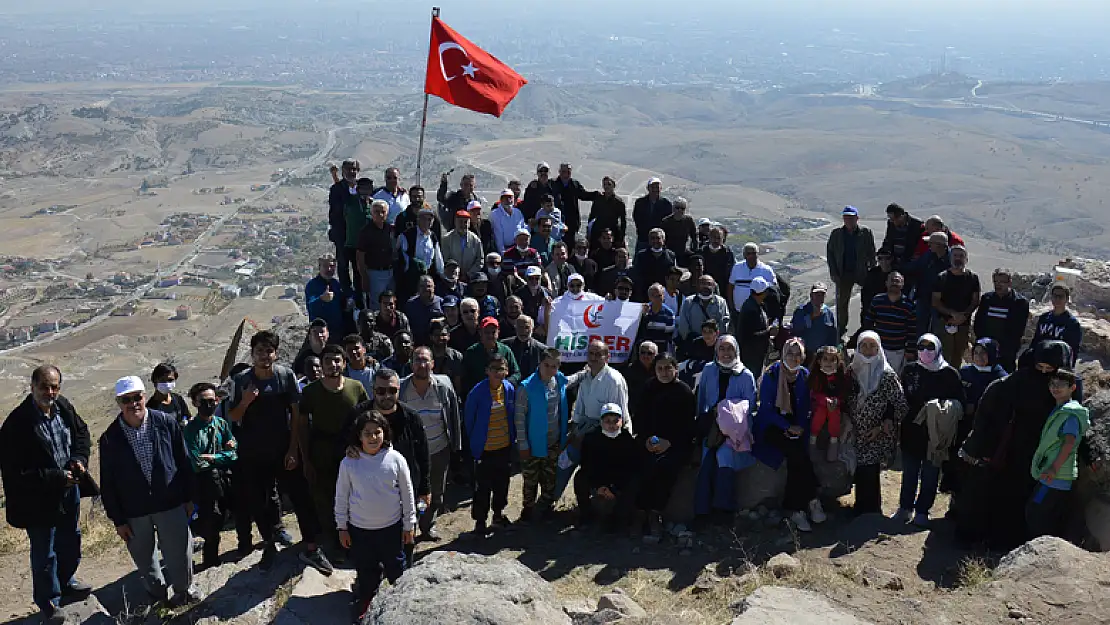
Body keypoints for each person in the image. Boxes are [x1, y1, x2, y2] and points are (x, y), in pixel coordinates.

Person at [227, 331, 331, 574]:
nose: (265, 355)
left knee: (301, 498)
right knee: (260, 501)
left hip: (283, 449)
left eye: (269, 351)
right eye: (260, 351)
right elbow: (233, 417)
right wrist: (246, 401)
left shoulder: (285, 376)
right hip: (253, 453)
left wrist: (294, 449)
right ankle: (270, 544)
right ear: (252, 354)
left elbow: (296, 414)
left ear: (275, 353)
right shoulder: (242, 380)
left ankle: (312, 547)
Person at [0, 366, 96, 623]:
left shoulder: (63, 407)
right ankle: (49, 602)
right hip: (38, 499)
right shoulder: (16, 424)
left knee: (71, 539)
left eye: (54, 386)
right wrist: (55, 477)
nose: (50, 392)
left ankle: (66, 582)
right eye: (44, 386)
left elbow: (81, 434)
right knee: (45, 552)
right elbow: (16, 472)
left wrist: (78, 460)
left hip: (69, 491)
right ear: (32, 387)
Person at [958, 340, 1074, 550]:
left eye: (1050, 370)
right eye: (1040, 368)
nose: (1044, 373)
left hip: (1039, 455)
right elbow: (987, 416)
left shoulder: (1065, 387)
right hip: (1006, 450)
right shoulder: (1013, 382)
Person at [99, 376, 198, 606]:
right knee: (145, 559)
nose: (133, 403)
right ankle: (157, 596)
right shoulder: (109, 438)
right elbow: (108, 483)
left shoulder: (165, 422)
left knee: (180, 553)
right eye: (126, 400)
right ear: (119, 403)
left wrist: (189, 497)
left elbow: (184, 462)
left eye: (137, 397)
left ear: (145, 397)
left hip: (170, 501)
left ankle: (184, 591)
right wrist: (118, 520)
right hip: (134, 510)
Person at [335, 411, 416, 622]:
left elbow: (407, 494)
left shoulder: (396, 459)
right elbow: (341, 496)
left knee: (397, 568)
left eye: (377, 432)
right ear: (359, 436)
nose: (373, 438)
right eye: (367, 433)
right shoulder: (349, 463)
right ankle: (367, 601)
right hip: (360, 530)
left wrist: (409, 524)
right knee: (366, 570)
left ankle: (404, 603)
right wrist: (341, 526)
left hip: (391, 528)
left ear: (385, 433)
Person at [346, 369, 430, 561]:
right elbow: (343, 444)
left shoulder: (411, 417)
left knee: (406, 539)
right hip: (368, 495)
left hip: (405, 491)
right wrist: (349, 448)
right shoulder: (357, 415)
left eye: (392, 390)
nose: (387, 396)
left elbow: (423, 455)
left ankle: (402, 577)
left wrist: (425, 488)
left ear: (399, 390)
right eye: (381, 391)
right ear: (373, 390)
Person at [299, 345, 369, 556]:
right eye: (328, 360)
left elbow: (368, 419)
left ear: (344, 363)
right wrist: (306, 459)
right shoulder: (310, 391)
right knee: (326, 498)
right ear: (321, 364)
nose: (333, 365)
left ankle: (357, 538)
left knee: (354, 495)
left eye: (337, 360)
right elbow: (302, 426)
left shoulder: (355, 387)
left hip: (351, 450)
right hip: (321, 451)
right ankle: (335, 543)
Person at [753, 339, 826, 532]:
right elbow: (767, 410)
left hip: (796, 426)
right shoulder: (772, 374)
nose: (793, 358)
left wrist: (800, 426)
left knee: (798, 456)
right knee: (796, 453)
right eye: (789, 353)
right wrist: (786, 426)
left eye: (797, 354)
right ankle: (809, 500)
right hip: (772, 426)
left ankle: (795, 508)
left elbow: (805, 407)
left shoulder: (804, 375)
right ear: (783, 354)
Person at [894, 333, 965, 528]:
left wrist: (939, 408)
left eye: (930, 347)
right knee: (909, 472)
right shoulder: (910, 370)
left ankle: (923, 511)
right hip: (911, 430)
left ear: (939, 349)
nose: (925, 351)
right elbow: (902, 397)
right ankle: (904, 508)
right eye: (921, 347)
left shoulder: (949, 374)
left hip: (936, 434)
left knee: (930, 473)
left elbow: (960, 403)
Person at [399, 348, 462, 542]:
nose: (422, 364)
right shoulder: (401, 388)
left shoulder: (443, 385)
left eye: (426, 361)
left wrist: (456, 445)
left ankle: (427, 525)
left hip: (438, 450)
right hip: (411, 453)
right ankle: (409, 527)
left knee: (435, 494)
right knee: (409, 492)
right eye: (417, 360)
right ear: (411, 364)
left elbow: (453, 415)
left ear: (433, 364)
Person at [692, 335, 758, 518]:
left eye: (730, 349)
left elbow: (749, 407)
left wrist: (732, 426)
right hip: (713, 427)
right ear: (716, 351)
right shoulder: (708, 370)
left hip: (735, 432)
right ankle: (702, 511)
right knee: (707, 459)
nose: (726, 353)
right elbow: (702, 400)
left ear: (736, 351)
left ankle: (724, 509)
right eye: (722, 349)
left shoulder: (745, 375)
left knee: (724, 457)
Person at [633, 354, 696, 542]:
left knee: (666, 467)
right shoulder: (648, 388)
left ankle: (655, 513)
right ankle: (639, 513)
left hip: (675, 443)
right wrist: (646, 439)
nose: (664, 372)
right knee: (640, 464)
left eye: (668, 368)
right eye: (660, 368)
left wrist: (669, 442)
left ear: (676, 369)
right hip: (649, 441)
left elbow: (688, 427)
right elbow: (640, 418)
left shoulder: (684, 392)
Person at [847, 332, 908, 515]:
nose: (867, 350)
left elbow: (901, 406)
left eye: (872, 346)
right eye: (863, 345)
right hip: (854, 432)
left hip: (877, 434)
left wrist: (883, 426)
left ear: (879, 348)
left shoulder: (887, 375)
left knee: (869, 470)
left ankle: (871, 513)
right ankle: (861, 509)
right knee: (859, 470)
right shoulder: (851, 371)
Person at [1026, 368, 1090, 539]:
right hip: (1051, 474)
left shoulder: (1071, 414)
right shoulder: (1060, 409)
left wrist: (1054, 468)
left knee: (1036, 512)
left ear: (1072, 388)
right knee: (1040, 512)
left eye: (1061, 384)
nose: (1055, 388)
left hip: (1056, 476)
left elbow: (1069, 443)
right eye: (1052, 384)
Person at [184, 382, 237, 570]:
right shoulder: (190, 430)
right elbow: (198, 462)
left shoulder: (221, 423)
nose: (210, 404)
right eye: (204, 401)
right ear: (195, 403)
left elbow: (235, 453)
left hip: (226, 478)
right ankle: (210, 561)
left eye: (213, 400)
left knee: (233, 513)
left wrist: (215, 457)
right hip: (205, 483)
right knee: (211, 522)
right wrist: (225, 455)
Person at [945, 339, 1007, 499]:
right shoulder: (964, 372)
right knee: (957, 468)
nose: (979, 357)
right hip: (962, 428)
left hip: (984, 433)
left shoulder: (1000, 378)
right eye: (976, 353)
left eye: (984, 353)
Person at [514, 349, 570, 522]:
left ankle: (546, 507)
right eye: (547, 365)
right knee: (530, 479)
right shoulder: (527, 387)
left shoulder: (559, 380)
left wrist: (585, 372)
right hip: (532, 443)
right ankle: (528, 509)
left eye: (554, 366)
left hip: (553, 442)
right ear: (540, 363)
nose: (550, 369)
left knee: (550, 478)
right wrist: (522, 444)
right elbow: (519, 417)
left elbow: (573, 380)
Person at [463, 355, 517, 536]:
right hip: (484, 451)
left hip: (504, 448)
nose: (497, 373)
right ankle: (480, 521)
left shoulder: (509, 389)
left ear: (506, 371)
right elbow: (469, 421)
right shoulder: (477, 393)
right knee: (482, 488)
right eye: (494, 369)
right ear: (487, 370)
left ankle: (498, 515)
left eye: (501, 369)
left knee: (502, 485)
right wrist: (475, 443)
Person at [574, 404, 639, 532]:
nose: (612, 425)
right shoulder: (591, 438)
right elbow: (586, 464)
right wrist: (599, 486)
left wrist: (613, 488)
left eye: (616, 421)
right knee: (580, 478)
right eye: (607, 421)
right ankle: (586, 515)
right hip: (598, 478)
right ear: (601, 422)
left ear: (622, 421)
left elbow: (631, 467)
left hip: (619, 479)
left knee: (635, 482)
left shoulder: (627, 439)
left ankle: (620, 518)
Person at [826, 205, 877, 338]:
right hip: (843, 273)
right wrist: (833, 272)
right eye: (846, 217)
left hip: (861, 272)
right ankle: (841, 329)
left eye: (851, 217)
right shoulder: (836, 234)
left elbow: (871, 251)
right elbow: (830, 254)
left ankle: (866, 326)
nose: (849, 220)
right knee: (842, 303)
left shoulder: (865, 233)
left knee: (867, 300)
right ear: (843, 218)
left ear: (857, 218)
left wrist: (873, 270)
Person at [972, 268, 1030, 373]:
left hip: (1006, 351)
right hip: (985, 349)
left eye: (1002, 282)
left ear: (1009, 283)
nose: (998, 285)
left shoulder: (1019, 302)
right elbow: (979, 322)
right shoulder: (987, 299)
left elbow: (1018, 329)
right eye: (996, 282)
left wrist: (1001, 346)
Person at [931, 245, 980, 366]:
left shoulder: (972, 278)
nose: (958, 259)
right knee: (943, 356)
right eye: (955, 255)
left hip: (963, 324)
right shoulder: (942, 278)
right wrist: (952, 314)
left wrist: (964, 316)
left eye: (961, 256)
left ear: (966, 259)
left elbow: (975, 300)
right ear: (950, 258)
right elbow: (935, 301)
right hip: (944, 323)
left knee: (958, 356)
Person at [863, 272, 917, 374]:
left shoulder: (909, 305)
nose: (894, 283)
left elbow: (912, 330)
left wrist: (910, 350)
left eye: (897, 281)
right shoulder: (877, 300)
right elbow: (868, 324)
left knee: (893, 379)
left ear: (902, 284)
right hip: (878, 349)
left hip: (898, 352)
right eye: (891, 280)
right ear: (886, 283)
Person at [809, 346, 851, 463]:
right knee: (822, 410)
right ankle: (812, 440)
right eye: (825, 359)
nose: (828, 363)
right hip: (819, 406)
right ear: (819, 361)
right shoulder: (816, 376)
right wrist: (825, 400)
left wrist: (837, 401)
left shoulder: (841, 377)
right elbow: (814, 393)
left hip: (835, 407)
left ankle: (833, 441)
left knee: (834, 412)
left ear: (838, 362)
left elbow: (844, 394)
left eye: (832, 360)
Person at [462, 317, 522, 397]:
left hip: (502, 396)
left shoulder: (506, 350)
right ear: (480, 332)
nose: (490, 335)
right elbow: (464, 378)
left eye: (493, 332)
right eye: (487, 332)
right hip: (479, 397)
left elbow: (516, 373)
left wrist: (505, 383)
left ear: (498, 332)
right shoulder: (471, 352)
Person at [395, 207, 444, 304]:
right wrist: (413, 266)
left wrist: (442, 274)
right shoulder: (406, 235)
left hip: (428, 276)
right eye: (424, 219)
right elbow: (402, 254)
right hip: (411, 278)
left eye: (430, 219)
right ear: (418, 220)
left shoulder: (432, 237)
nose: (427, 222)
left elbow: (438, 258)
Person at [906, 231, 950, 337]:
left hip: (942, 302)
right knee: (920, 327)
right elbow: (915, 266)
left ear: (939, 246)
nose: (928, 245)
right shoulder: (928, 256)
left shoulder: (951, 260)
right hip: (924, 298)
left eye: (931, 243)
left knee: (937, 329)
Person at [355, 198, 395, 312]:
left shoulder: (390, 229)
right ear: (372, 213)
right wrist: (364, 276)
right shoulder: (366, 232)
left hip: (391, 272)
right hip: (375, 273)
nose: (380, 214)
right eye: (377, 212)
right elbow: (360, 256)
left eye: (383, 211)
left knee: (391, 304)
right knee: (377, 305)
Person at [328, 159, 361, 296]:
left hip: (358, 235)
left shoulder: (362, 188)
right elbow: (336, 210)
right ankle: (346, 292)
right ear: (343, 171)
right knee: (343, 265)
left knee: (358, 265)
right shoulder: (336, 189)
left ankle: (360, 291)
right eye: (348, 169)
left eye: (354, 169)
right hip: (342, 234)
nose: (351, 172)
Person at [1030, 284, 1082, 366]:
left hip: (1058, 364)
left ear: (1067, 299)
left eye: (1061, 296)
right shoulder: (1044, 318)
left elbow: (1073, 350)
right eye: (1055, 296)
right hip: (1040, 362)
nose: (1057, 299)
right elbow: (1036, 341)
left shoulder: (1072, 323)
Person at [677, 275, 730, 354]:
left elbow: (724, 323)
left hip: (714, 345)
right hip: (693, 345)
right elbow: (683, 325)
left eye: (709, 284)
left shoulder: (721, 302)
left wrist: (714, 340)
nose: (705, 286)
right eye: (702, 283)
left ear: (713, 286)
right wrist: (693, 341)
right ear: (697, 285)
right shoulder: (688, 302)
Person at [728, 242, 776, 323]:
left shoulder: (766, 270)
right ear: (744, 255)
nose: (751, 256)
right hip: (739, 312)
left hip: (759, 313)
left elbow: (774, 291)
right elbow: (730, 287)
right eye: (748, 253)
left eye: (754, 253)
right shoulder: (737, 267)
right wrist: (731, 307)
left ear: (758, 254)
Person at [737, 276, 776, 374]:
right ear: (762, 293)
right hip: (751, 356)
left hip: (755, 354)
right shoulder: (751, 310)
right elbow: (750, 336)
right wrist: (769, 332)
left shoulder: (755, 305)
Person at [790, 283, 838, 360]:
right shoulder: (801, 311)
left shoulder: (828, 312)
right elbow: (794, 330)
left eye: (822, 294)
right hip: (803, 353)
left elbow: (833, 334)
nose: (819, 297)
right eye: (816, 294)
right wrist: (812, 317)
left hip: (822, 355)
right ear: (811, 295)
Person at [305, 254, 350, 336]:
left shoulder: (336, 284)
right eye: (325, 266)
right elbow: (311, 307)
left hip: (338, 330)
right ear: (319, 267)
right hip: (320, 333)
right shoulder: (312, 285)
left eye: (332, 266)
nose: (329, 269)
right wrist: (322, 299)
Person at [631, 229, 677, 301]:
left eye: (658, 238)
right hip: (644, 294)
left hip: (664, 295)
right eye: (652, 238)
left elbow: (673, 276)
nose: (655, 241)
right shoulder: (641, 255)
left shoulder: (671, 255)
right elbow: (636, 275)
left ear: (663, 240)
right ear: (649, 240)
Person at [585, 177, 627, 250]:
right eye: (604, 184)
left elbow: (623, 221)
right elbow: (592, 216)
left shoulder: (619, 202)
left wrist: (621, 238)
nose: (606, 186)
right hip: (597, 232)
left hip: (613, 232)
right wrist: (589, 233)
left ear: (614, 186)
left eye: (609, 184)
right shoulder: (598, 199)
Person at [442, 207, 484, 278]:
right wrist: (455, 273)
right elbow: (445, 259)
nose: (463, 225)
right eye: (460, 222)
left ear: (469, 223)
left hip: (470, 277)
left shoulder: (475, 239)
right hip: (452, 276)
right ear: (455, 222)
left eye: (465, 222)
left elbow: (480, 260)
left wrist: (469, 274)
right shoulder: (447, 239)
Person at [632, 177, 672, 251]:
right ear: (648, 188)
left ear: (661, 188)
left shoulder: (666, 204)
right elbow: (636, 218)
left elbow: (668, 221)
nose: (655, 189)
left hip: (659, 240)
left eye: (657, 187)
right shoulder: (640, 202)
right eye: (652, 187)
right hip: (643, 238)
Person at [502, 314, 547, 380]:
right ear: (515, 327)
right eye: (520, 327)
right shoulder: (505, 346)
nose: (523, 331)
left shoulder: (542, 350)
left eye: (527, 327)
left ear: (532, 329)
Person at [403, 275, 444, 347]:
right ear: (418, 288)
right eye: (422, 286)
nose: (426, 289)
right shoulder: (410, 304)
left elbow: (448, 319)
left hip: (437, 343)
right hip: (416, 344)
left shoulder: (441, 302)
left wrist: (439, 320)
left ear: (434, 287)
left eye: (429, 286)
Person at [881, 203, 925, 270]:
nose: (893, 221)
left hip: (910, 263)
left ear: (902, 215)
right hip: (894, 261)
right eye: (890, 219)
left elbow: (921, 245)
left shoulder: (917, 225)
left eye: (894, 218)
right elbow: (888, 239)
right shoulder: (891, 224)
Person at [860, 247, 895, 328]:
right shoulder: (872, 273)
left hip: (891, 311)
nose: (884, 261)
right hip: (873, 309)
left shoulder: (896, 275)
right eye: (880, 258)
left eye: (887, 258)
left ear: (892, 259)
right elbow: (865, 294)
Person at [639, 284, 676, 354]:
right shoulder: (642, 310)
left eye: (659, 296)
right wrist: (645, 316)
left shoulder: (669, 313)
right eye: (653, 296)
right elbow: (640, 332)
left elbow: (669, 335)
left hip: (662, 347)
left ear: (663, 296)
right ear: (649, 297)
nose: (657, 298)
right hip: (644, 348)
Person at [515, 266, 552, 338]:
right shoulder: (519, 294)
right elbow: (517, 314)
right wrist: (535, 327)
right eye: (531, 278)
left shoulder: (546, 293)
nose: (534, 281)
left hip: (544, 330)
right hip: (525, 329)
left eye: (537, 278)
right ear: (526, 278)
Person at [429, 319, 464, 391]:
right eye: (436, 335)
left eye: (443, 335)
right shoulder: (426, 356)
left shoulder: (456, 356)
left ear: (448, 336)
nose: (440, 338)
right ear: (431, 337)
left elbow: (458, 385)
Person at [660, 197, 697, 263]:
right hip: (669, 252)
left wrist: (694, 250)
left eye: (682, 208)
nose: (680, 210)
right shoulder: (666, 222)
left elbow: (694, 236)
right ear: (673, 208)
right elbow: (661, 239)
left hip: (683, 251)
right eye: (677, 208)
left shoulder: (688, 220)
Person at [490, 189, 527, 254]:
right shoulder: (495, 214)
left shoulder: (518, 212)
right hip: (504, 249)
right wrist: (503, 253)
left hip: (518, 248)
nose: (508, 200)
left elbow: (523, 229)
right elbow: (498, 235)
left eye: (510, 198)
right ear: (501, 200)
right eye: (505, 198)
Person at [700, 228, 734, 298]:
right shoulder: (702, 251)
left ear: (723, 239)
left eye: (719, 238)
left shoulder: (727, 253)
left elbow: (730, 271)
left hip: (722, 287)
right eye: (714, 237)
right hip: (705, 287)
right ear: (709, 237)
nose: (716, 240)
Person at [624, 342, 659, 410]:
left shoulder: (660, 369)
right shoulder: (630, 370)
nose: (645, 356)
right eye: (643, 352)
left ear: (656, 355)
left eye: (650, 353)